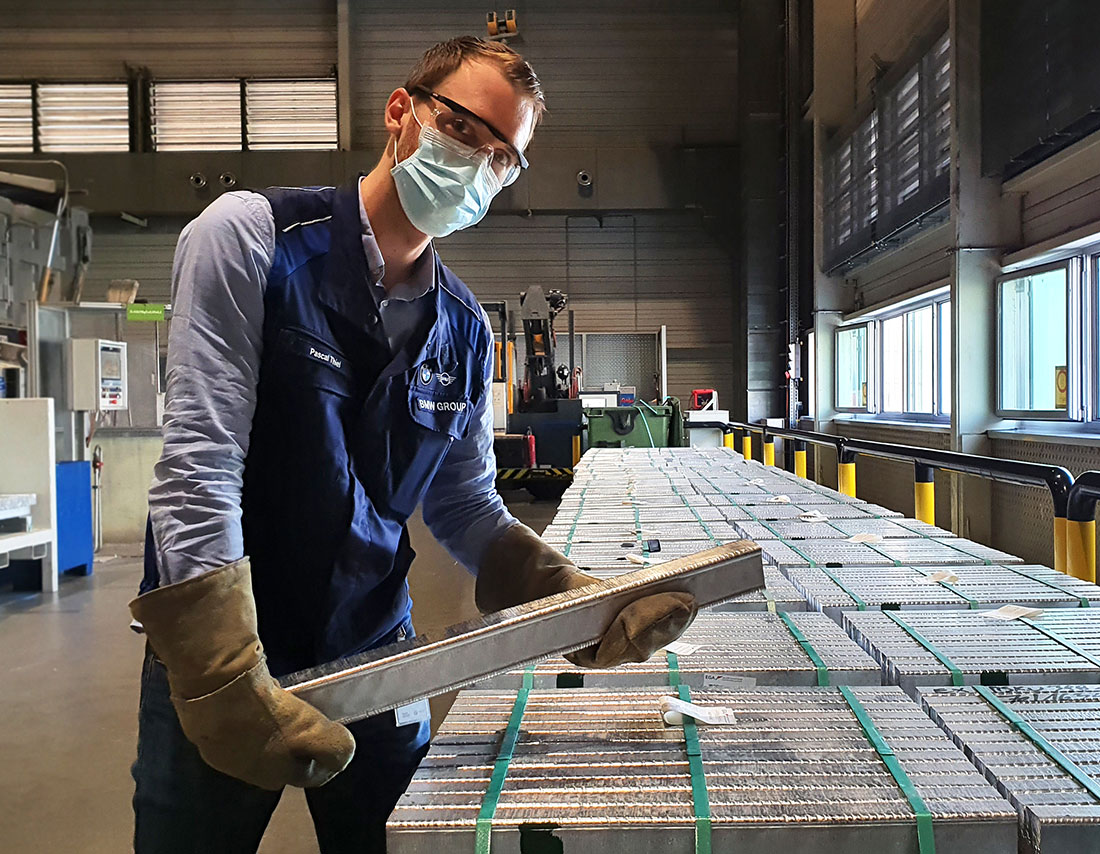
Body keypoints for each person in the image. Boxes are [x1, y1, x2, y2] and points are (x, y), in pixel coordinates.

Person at [128, 36, 697, 854]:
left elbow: (463, 505)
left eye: (504, 158)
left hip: (376, 655)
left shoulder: (463, 328)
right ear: (402, 112)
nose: (478, 166)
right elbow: (199, 468)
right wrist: (221, 675)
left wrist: (570, 596)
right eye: (466, 130)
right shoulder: (252, 240)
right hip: (224, 659)